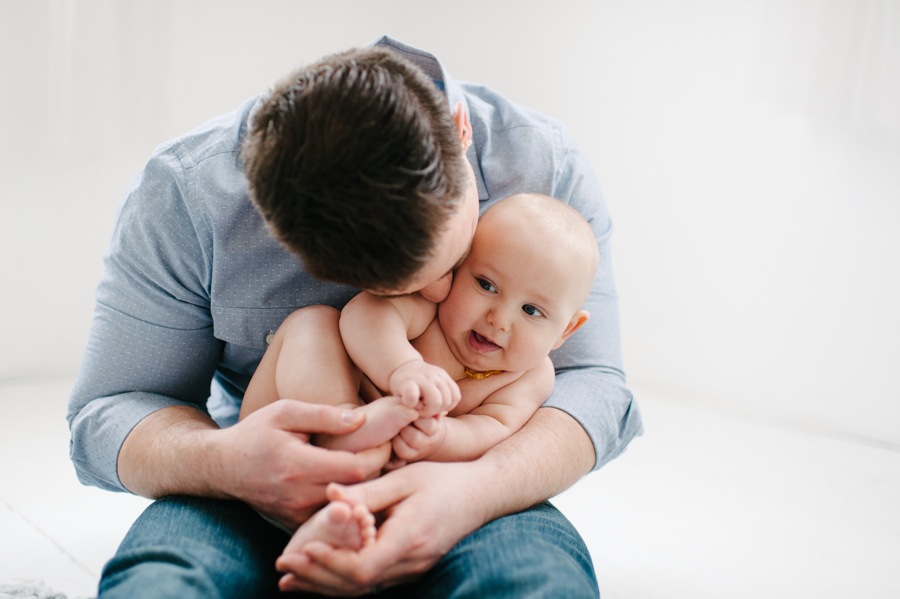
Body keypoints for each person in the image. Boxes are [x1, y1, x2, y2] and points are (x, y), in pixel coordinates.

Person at [68, 36, 642, 598]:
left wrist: (475, 489)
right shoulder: (192, 191)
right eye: (481, 282)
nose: (439, 294)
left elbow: (594, 385)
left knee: (533, 583)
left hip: (464, 484)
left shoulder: (544, 166)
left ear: (459, 129)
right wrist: (224, 462)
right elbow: (109, 409)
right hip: (250, 472)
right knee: (161, 583)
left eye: (453, 268)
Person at [239, 193, 599, 564]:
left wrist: (442, 438)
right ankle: (342, 420)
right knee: (313, 321)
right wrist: (402, 367)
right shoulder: (432, 309)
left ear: (566, 331)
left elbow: (492, 429)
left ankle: (335, 530)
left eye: (531, 310)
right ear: (458, 266)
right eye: (486, 285)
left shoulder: (530, 376)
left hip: (376, 489)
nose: (499, 319)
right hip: (285, 441)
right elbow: (363, 314)